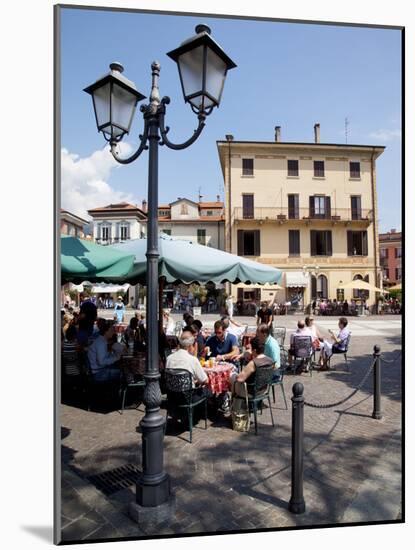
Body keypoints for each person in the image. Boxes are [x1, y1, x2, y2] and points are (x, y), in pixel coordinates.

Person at [166, 331, 208, 395]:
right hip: (188, 398)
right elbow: (205, 380)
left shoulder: (169, 358)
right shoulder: (192, 360)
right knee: (209, 391)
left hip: (172, 397)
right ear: (190, 346)